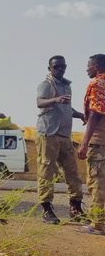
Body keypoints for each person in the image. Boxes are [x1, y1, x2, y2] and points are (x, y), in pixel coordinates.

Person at [36, 55, 85, 224]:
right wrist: (55, 99)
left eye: (62, 66)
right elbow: (40, 102)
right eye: (56, 67)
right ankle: (46, 209)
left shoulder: (66, 86)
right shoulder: (46, 84)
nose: (60, 70)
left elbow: (66, 108)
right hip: (48, 133)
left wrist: (80, 115)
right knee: (46, 171)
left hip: (64, 135)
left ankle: (76, 207)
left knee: (72, 172)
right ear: (50, 68)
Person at [78, 54, 105, 235]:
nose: (86, 69)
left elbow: (96, 113)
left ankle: (98, 224)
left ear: (96, 66)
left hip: (99, 142)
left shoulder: (97, 84)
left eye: (88, 66)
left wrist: (85, 142)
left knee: (97, 183)